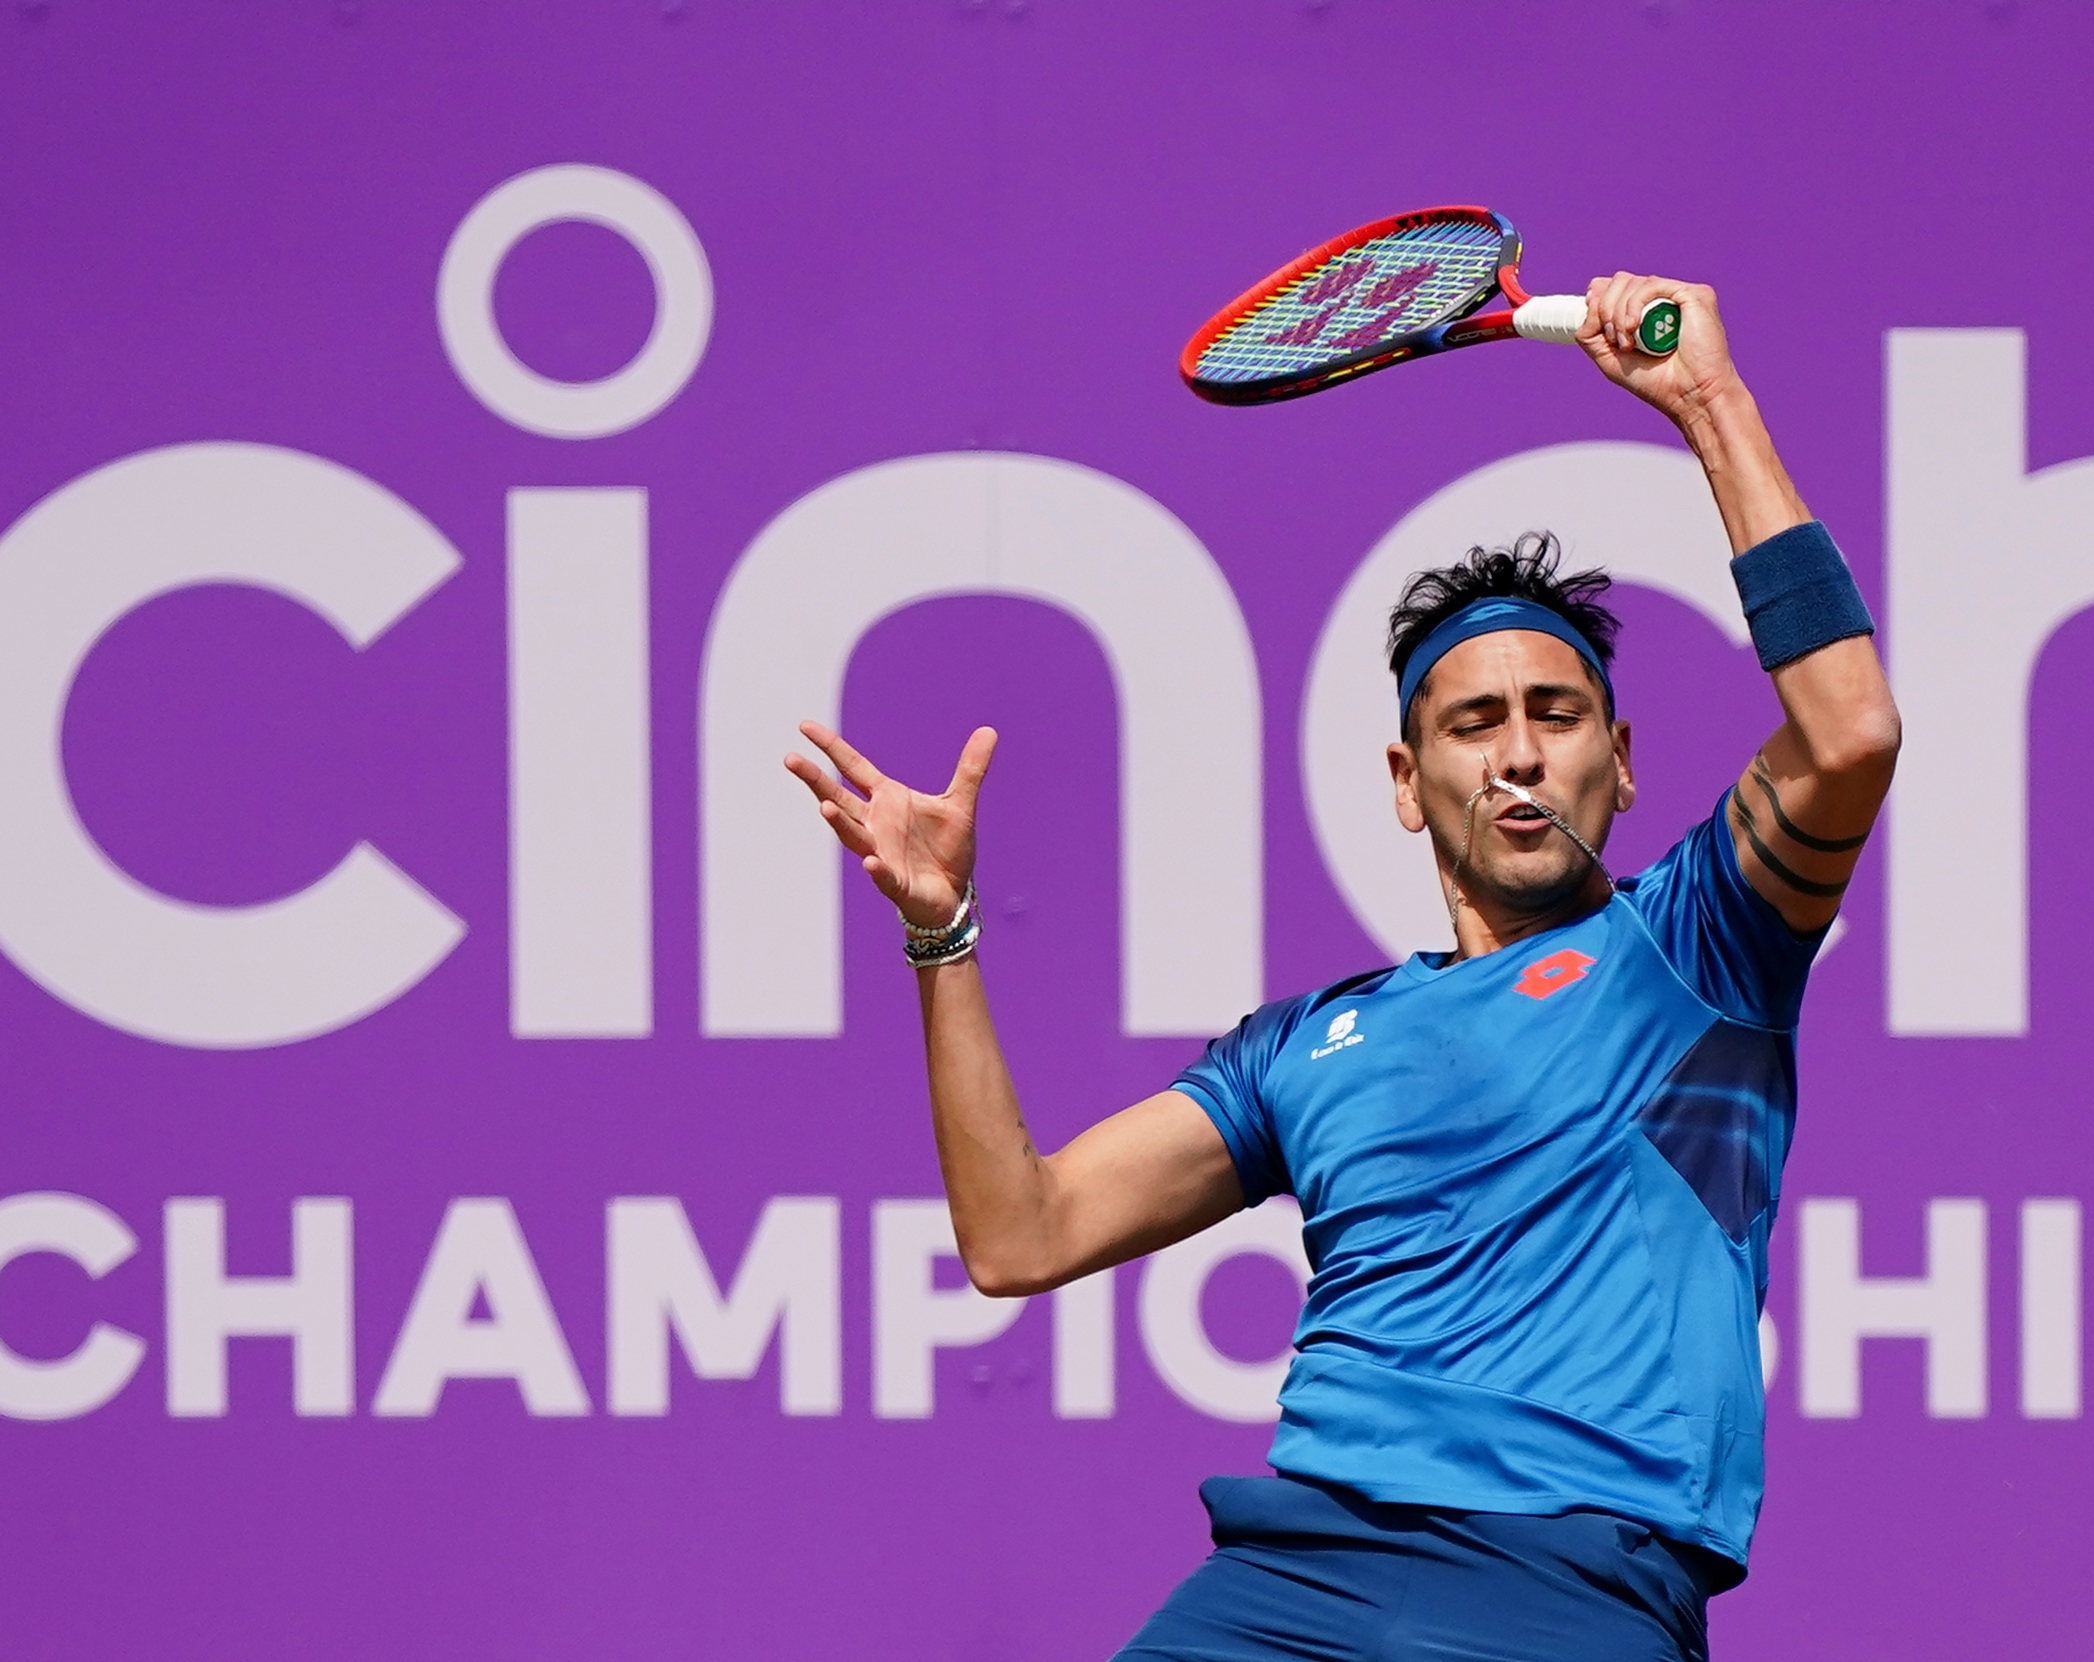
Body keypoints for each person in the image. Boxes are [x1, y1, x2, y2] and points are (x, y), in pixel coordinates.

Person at [785, 272, 1899, 1662]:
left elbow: (1850, 734)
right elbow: (1024, 1233)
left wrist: (1707, 401)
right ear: (1405, 780)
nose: (1517, 752)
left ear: (1621, 761)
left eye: (1556, 714)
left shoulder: (1699, 947)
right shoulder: (1305, 1047)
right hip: (1293, 1579)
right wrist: (943, 930)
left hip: (1571, 1589)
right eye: (1472, 722)